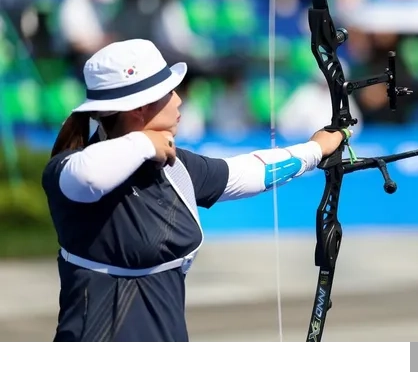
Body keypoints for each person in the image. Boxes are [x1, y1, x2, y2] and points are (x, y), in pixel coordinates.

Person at [41, 38, 346, 342]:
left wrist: (314, 150)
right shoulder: (67, 170)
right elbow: (88, 178)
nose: (178, 100)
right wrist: (145, 142)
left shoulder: (174, 166)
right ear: (140, 107)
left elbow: (247, 172)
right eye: (169, 93)